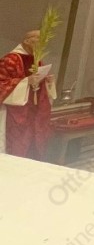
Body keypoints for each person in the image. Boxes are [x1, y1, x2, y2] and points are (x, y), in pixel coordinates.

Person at [0, 30, 56, 159]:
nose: (42, 44)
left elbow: (39, 83)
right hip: (14, 112)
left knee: (32, 144)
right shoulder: (10, 59)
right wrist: (26, 82)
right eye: (39, 40)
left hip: (33, 111)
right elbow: (2, 84)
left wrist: (48, 81)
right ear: (27, 41)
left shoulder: (37, 60)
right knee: (16, 146)